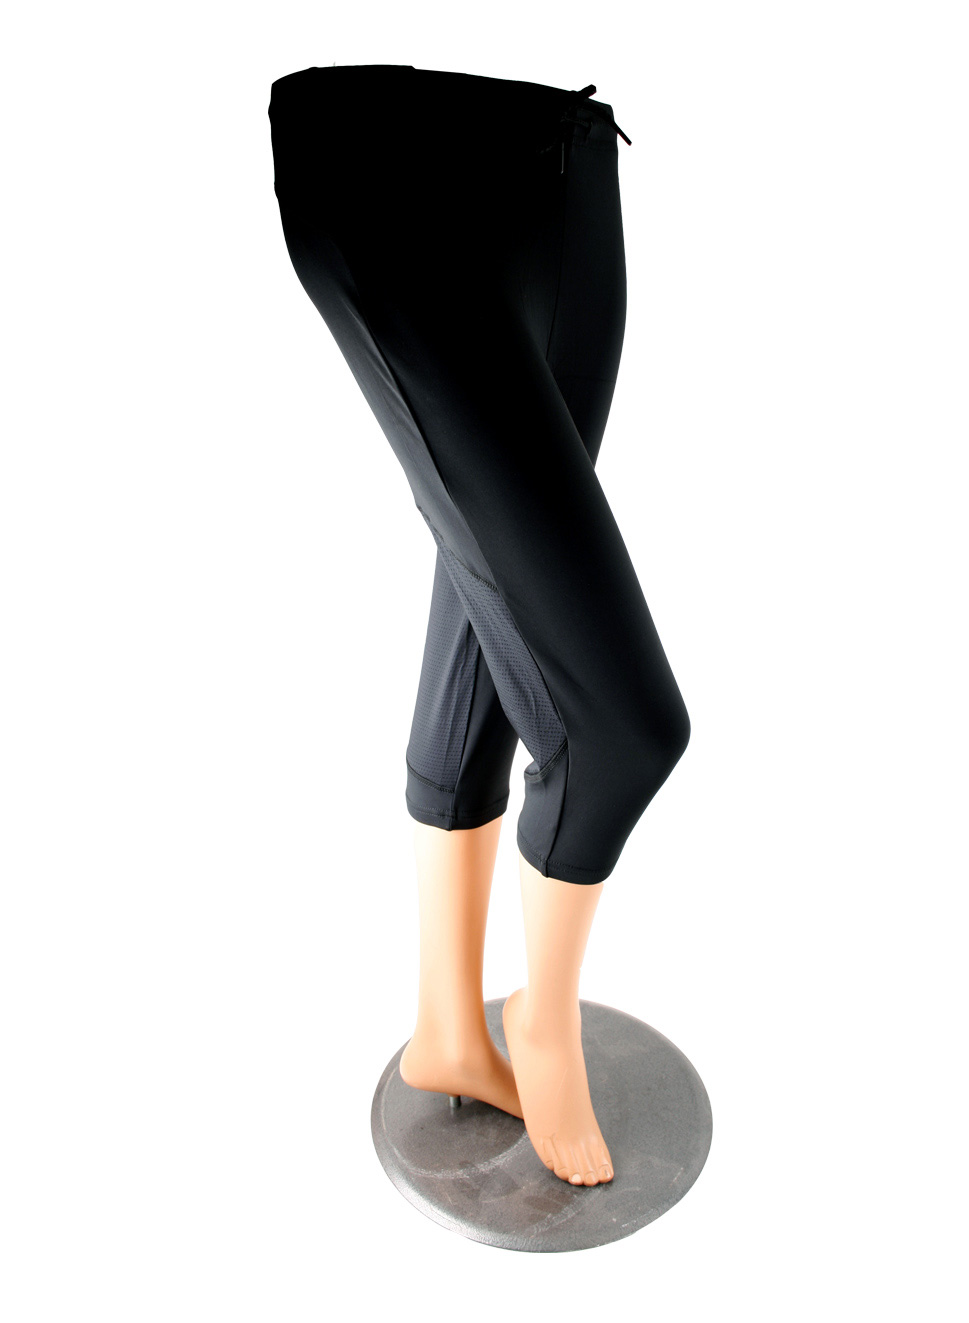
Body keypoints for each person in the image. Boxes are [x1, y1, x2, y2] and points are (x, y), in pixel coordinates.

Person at [269, 64, 690, 1187]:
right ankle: (541, 1024)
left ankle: (448, 1028)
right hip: (391, 175)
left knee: (492, 603)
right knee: (622, 729)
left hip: (574, 175)